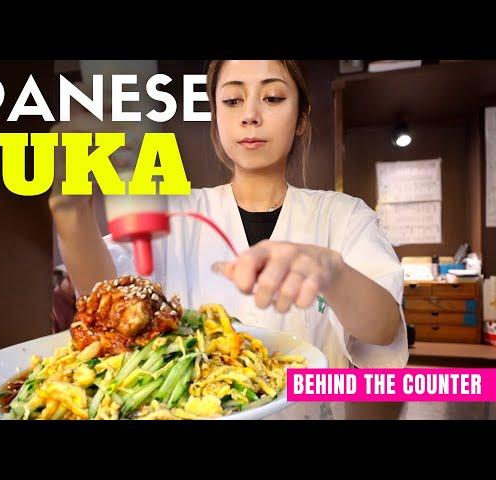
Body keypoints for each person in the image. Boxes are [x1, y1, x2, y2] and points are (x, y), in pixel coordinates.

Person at [49, 60, 408, 389]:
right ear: (215, 115)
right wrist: (70, 208)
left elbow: (382, 329)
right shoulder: (175, 211)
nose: (250, 115)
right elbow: (105, 293)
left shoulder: (343, 217)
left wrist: (333, 273)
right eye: (233, 100)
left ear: (300, 118)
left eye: (272, 97)